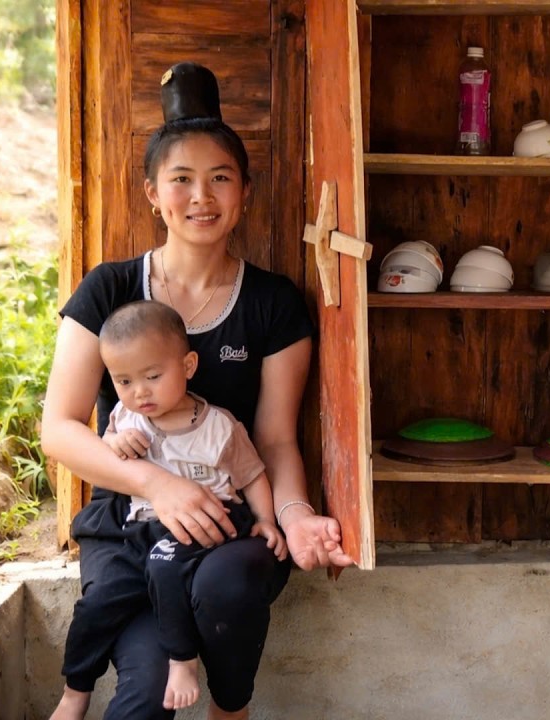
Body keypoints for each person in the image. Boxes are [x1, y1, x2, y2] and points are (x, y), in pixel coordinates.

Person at [42, 62, 352, 720]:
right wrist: (158, 485)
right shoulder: (108, 290)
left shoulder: (273, 305)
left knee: (230, 580)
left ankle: (229, 711)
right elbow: (60, 428)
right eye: (180, 179)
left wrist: (293, 518)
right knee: (145, 701)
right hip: (130, 529)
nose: (201, 197)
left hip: (231, 525)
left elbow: (273, 439)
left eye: (220, 178)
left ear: (245, 191)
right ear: (152, 192)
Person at [54, 301, 289, 717]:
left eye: (153, 376)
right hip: (142, 528)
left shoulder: (218, 426)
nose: (139, 391)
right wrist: (113, 446)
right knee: (98, 600)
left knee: (164, 565)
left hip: (208, 523)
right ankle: (75, 691)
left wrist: (267, 520)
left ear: (189, 365)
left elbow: (252, 475)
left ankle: (182, 663)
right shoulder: (126, 419)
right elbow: (104, 457)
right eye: (123, 380)